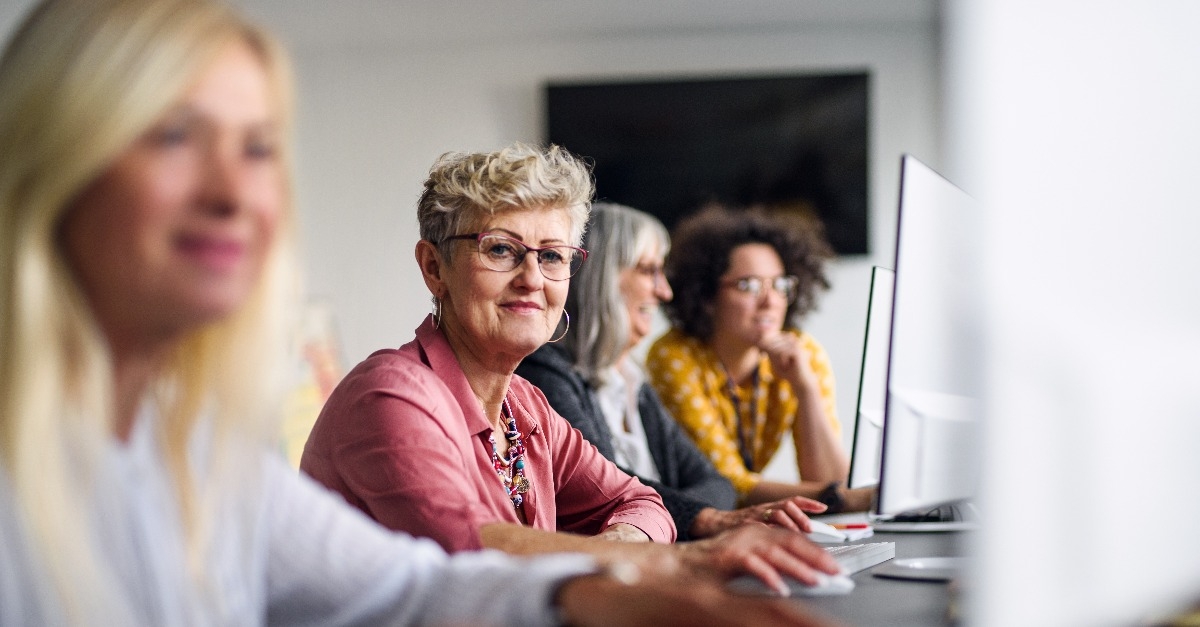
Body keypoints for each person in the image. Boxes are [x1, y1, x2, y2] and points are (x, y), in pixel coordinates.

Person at [0, 1, 836, 625]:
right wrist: (658, 570)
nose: (232, 192)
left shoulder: (191, 452)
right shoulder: (390, 397)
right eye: (174, 135)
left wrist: (630, 585)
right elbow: (459, 553)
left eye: (257, 148)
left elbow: (418, 582)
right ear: (432, 267)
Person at [301, 143, 841, 594]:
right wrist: (684, 561)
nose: (533, 278)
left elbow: (641, 500)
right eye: (502, 250)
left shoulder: (524, 405)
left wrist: (621, 548)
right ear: (433, 267)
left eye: (553, 255)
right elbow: (473, 552)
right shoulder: (390, 397)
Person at [517, 202, 830, 539]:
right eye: (648, 269)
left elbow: (717, 484)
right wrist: (700, 516)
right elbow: (606, 489)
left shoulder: (632, 382)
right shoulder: (546, 373)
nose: (664, 291)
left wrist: (673, 512)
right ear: (601, 278)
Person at [647, 205, 875, 513]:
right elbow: (727, 482)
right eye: (749, 285)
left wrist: (805, 389)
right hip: (680, 521)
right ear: (706, 296)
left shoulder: (803, 353)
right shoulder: (673, 357)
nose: (770, 301)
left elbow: (831, 481)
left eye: (780, 285)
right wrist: (859, 498)